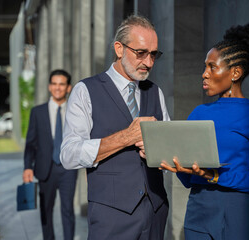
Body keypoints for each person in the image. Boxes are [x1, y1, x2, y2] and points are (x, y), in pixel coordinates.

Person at [60, 15, 170, 240]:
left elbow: (167, 153)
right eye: (141, 53)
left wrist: (160, 151)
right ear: (119, 49)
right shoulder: (85, 91)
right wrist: (126, 137)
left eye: (153, 54)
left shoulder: (155, 92)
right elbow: (68, 155)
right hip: (110, 217)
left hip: (156, 212)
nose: (148, 62)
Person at [160, 23, 249, 240]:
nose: (204, 74)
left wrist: (214, 176)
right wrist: (179, 167)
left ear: (235, 73)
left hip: (238, 216)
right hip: (198, 213)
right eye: (205, 67)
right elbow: (190, 179)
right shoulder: (198, 113)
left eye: (212, 67)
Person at [23, 69, 78, 240]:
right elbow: (30, 143)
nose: (57, 88)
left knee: (68, 209)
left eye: (62, 84)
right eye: (54, 84)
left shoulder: (76, 112)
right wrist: (27, 167)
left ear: (68, 88)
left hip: (68, 168)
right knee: (46, 210)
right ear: (49, 86)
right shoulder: (37, 112)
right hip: (45, 168)